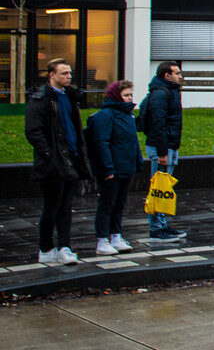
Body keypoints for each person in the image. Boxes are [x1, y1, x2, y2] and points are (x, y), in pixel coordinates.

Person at [26, 58, 89, 265]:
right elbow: (33, 131)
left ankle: (64, 247)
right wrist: (47, 154)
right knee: (52, 206)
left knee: (65, 206)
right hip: (53, 162)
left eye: (70, 73)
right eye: (64, 73)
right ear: (51, 75)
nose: (69, 77)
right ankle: (46, 248)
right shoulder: (41, 98)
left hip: (70, 159)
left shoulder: (69, 97)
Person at [85, 80, 142, 257]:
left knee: (119, 204)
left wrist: (137, 162)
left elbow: (132, 142)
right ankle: (102, 240)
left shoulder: (128, 116)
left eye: (130, 95)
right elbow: (102, 144)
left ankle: (116, 236)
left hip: (125, 166)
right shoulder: (105, 116)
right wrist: (107, 168)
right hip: (112, 169)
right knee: (107, 204)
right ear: (116, 96)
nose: (129, 98)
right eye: (126, 95)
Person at [138, 61, 187, 241]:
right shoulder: (161, 93)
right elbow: (159, 123)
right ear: (167, 76)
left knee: (164, 188)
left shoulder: (169, 91)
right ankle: (156, 228)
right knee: (159, 188)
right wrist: (162, 152)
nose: (180, 76)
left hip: (169, 145)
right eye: (177, 73)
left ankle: (162, 225)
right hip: (163, 147)